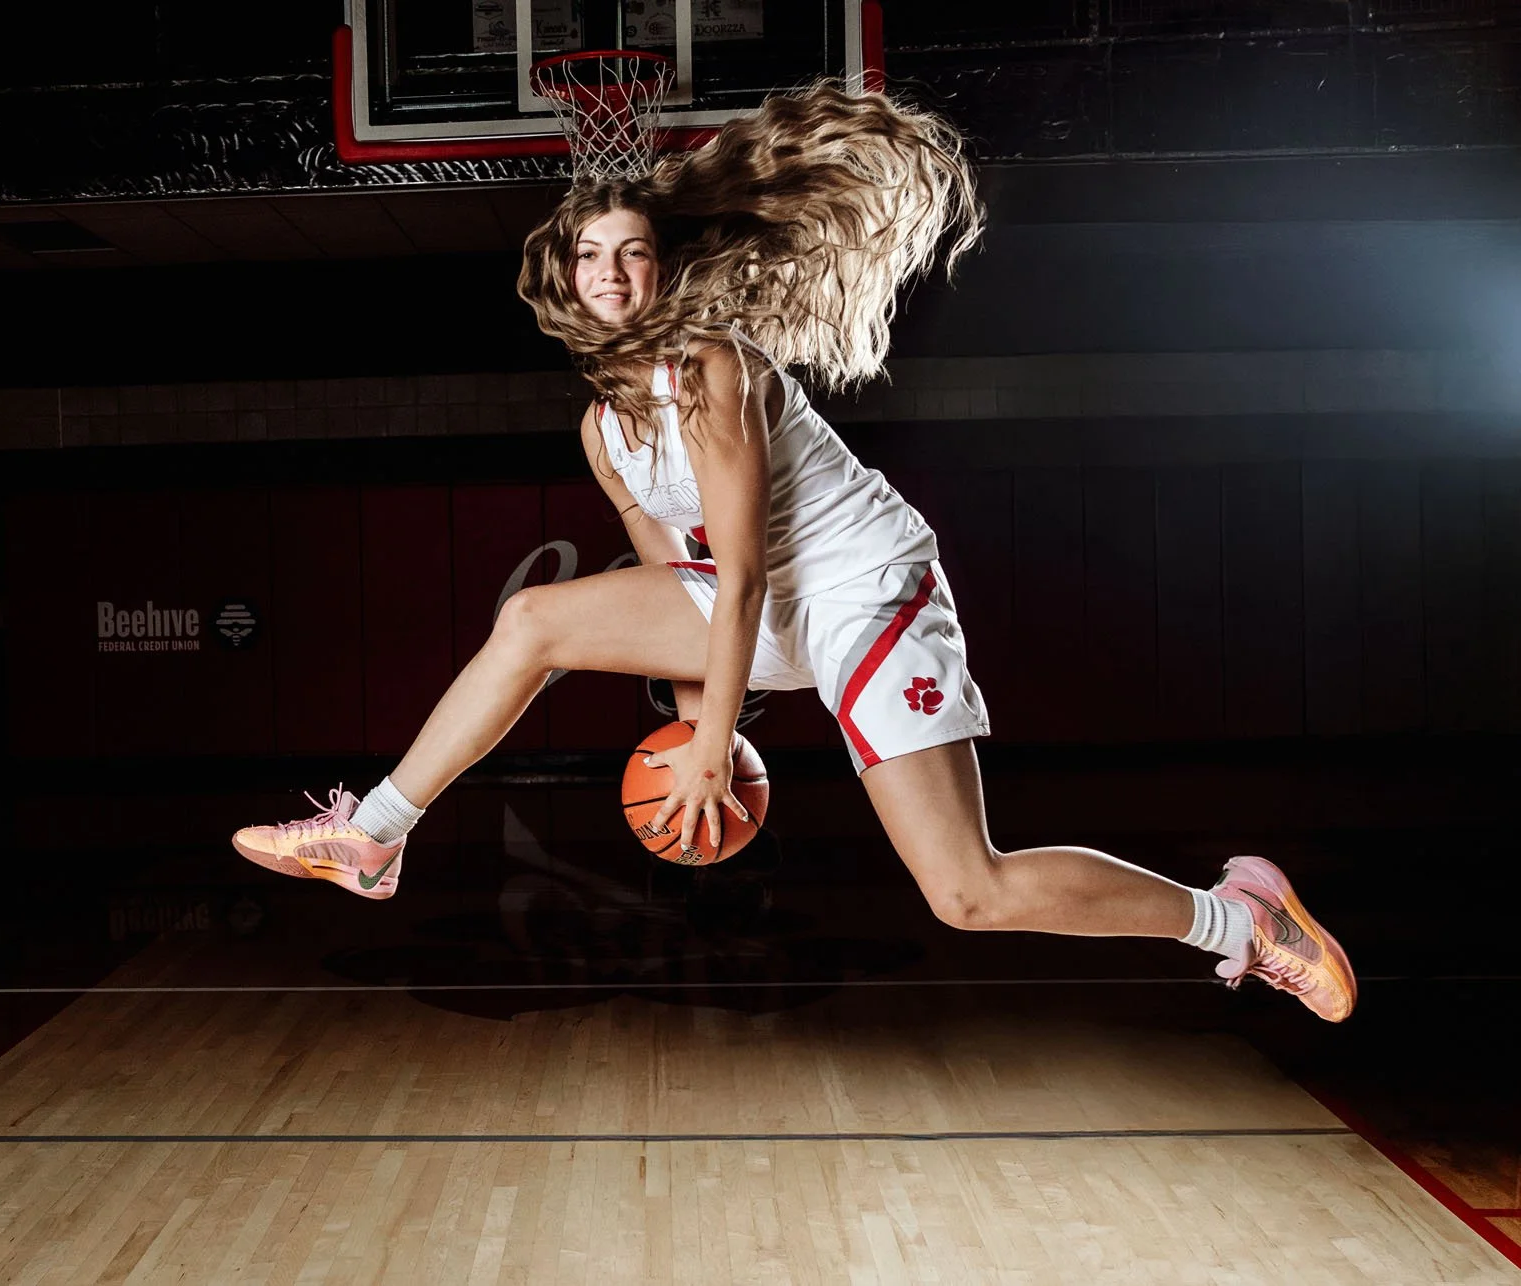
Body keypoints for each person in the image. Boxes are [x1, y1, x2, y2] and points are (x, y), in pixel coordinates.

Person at [232, 84, 1356, 1023]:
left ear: (664, 269)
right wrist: (685, 704)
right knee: (534, 622)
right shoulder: (603, 425)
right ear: (563, 275)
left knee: (967, 890)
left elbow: (752, 573)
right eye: (593, 255)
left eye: (634, 252)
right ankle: (372, 835)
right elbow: (682, 567)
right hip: (759, 597)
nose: (614, 272)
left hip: (864, 587)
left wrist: (717, 738)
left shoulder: (711, 364)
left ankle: (1239, 915)